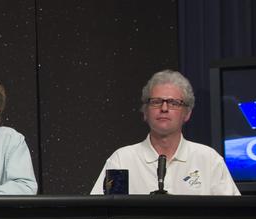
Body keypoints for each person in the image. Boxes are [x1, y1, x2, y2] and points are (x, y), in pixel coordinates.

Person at [90, 69, 240, 195]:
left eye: (174, 103)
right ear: (145, 112)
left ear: (187, 114)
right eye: (156, 102)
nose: (164, 108)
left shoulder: (209, 160)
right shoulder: (123, 160)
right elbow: (105, 215)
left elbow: (234, 217)